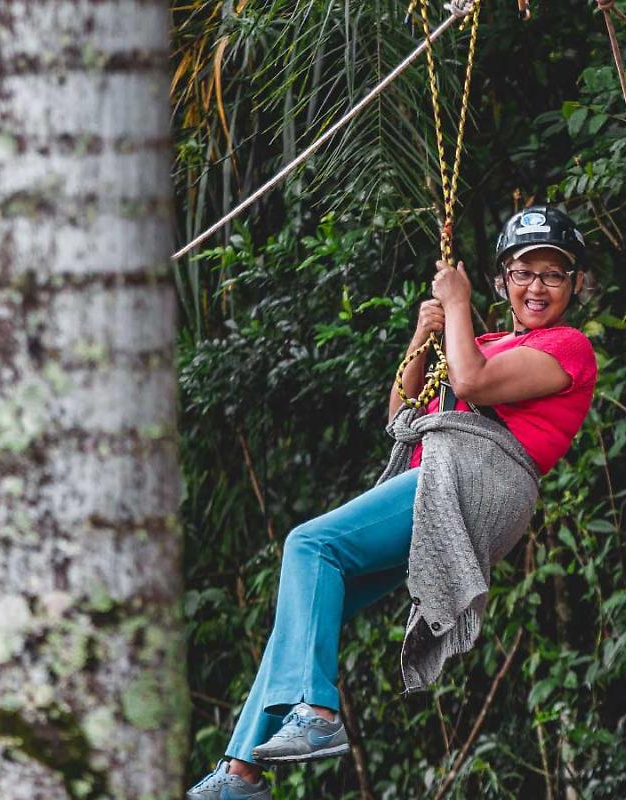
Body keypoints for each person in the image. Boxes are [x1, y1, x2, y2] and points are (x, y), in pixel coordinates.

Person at [187, 206, 598, 799]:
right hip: (442, 471)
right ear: (503, 279)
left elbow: (476, 383)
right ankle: (242, 773)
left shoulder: (567, 346)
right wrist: (423, 333)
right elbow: (402, 417)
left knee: (310, 544)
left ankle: (319, 713)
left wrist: (455, 303)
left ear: (573, 285)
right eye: (524, 272)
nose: (537, 287)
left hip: (477, 479)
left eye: (553, 276)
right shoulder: (477, 341)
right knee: (305, 610)